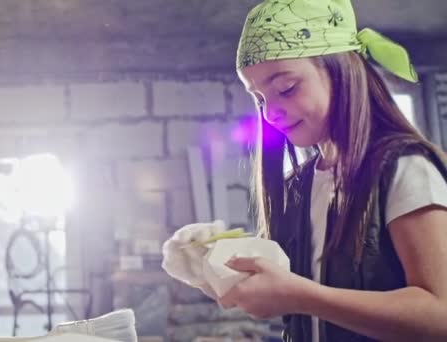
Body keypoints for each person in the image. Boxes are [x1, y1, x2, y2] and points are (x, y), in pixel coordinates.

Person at [162, 0, 447, 341]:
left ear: (341, 70)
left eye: (286, 89)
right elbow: (275, 290)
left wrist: (301, 295)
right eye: (260, 99)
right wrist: (204, 263)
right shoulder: (302, 185)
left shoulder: (405, 169)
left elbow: (438, 314)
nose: (270, 114)